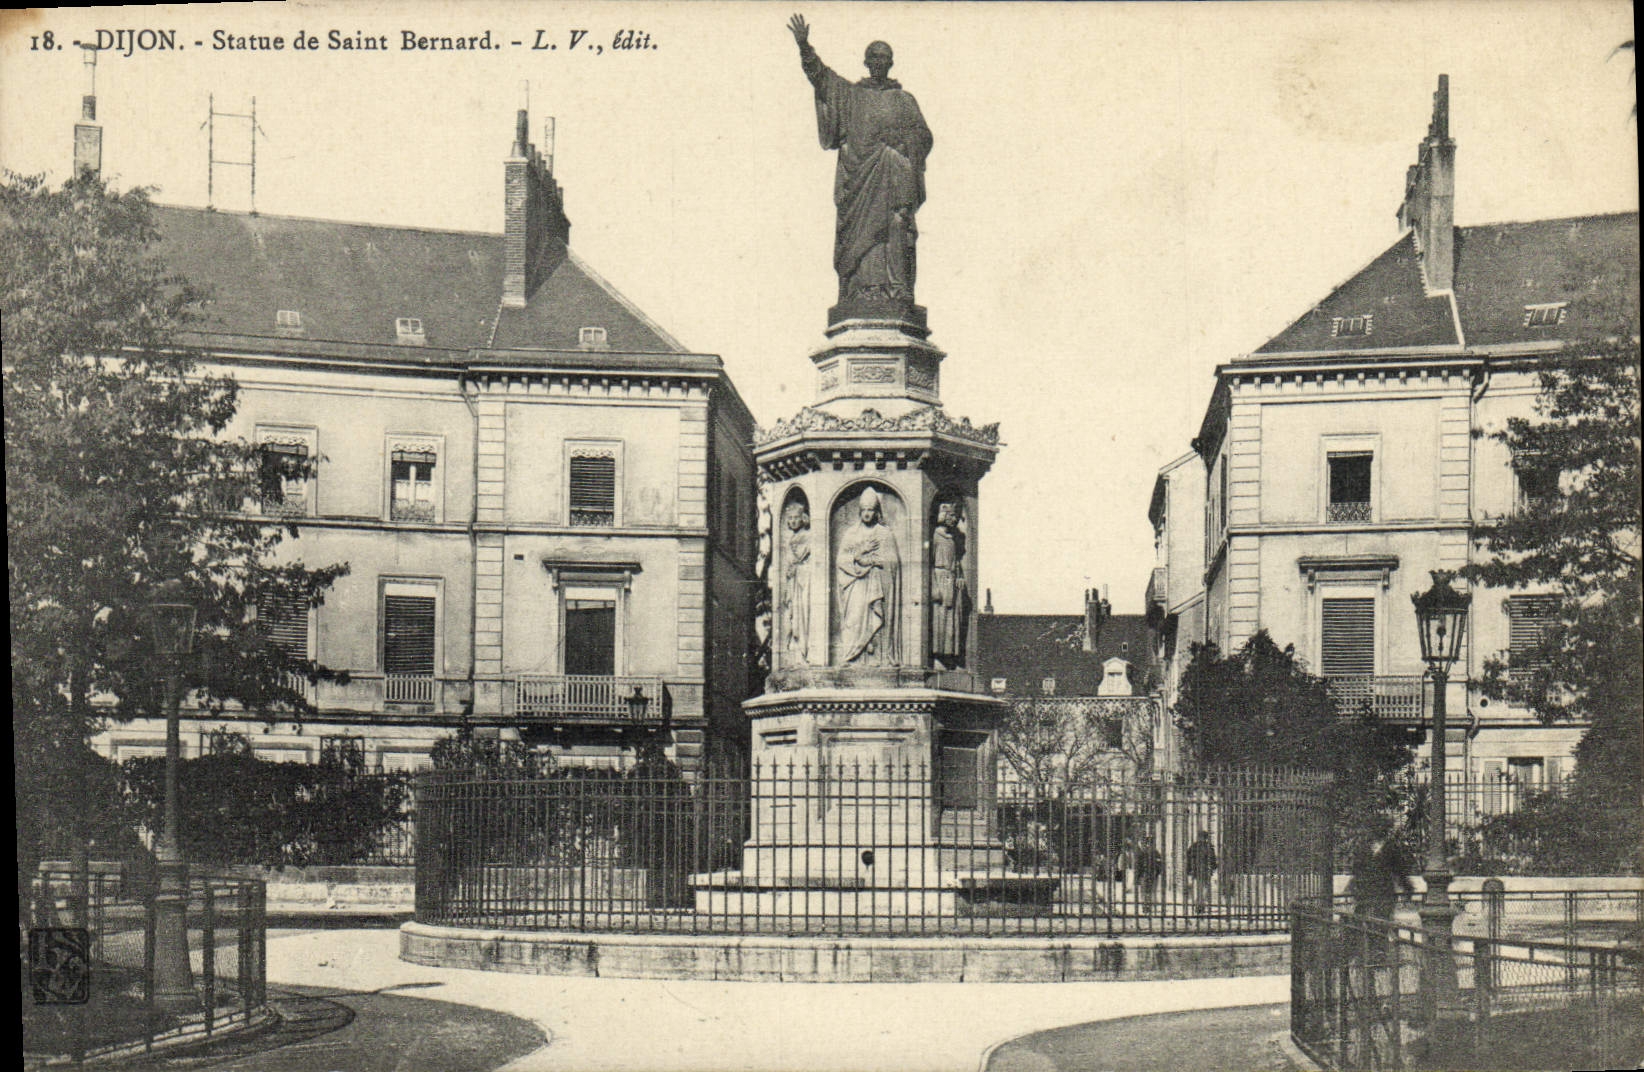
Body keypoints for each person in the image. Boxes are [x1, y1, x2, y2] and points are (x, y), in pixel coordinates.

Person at [788, 14, 933, 309]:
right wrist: (805, 47)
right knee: (862, 242)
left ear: (891, 63)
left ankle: (897, 290)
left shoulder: (905, 100)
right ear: (866, 62)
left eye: (885, 58)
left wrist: (903, 145)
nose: (880, 62)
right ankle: (859, 292)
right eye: (874, 57)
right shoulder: (850, 96)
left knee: (896, 229)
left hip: (895, 179)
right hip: (860, 185)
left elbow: (924, 136)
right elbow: (820, 77)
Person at [834, 487, 901, 665]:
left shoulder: (884, 533)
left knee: (877, 617)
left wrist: (877, 563)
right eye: (864, 510)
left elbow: (892, 562)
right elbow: (841, 559)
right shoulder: (851, 533)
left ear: (876, 511)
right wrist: (858, 556)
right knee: (854, 619)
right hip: (856, 584)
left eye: (870, 510)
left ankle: (878, 658)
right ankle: (850, 656)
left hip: (876, 584)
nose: (867, 514)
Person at [929, 501, 967, 669]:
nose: (954, 519)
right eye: (951, 516)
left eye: (955, 516)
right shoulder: (935, 537)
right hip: (940, 579)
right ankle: (938, 656)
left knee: (954, 620)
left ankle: (951, 657)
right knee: (940, 619)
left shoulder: (953, 539)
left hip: (952, 581)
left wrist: (960, 576)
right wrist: (934, 587)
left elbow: (957, 562)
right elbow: (928, 564)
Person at [1347, 832, 1415, 923]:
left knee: (1379, 921)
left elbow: (1399, 870)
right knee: (1369, 920)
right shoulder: (1364, 847)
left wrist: (1407, 887)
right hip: (1368, 892)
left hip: (1380, 892)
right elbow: (1356, 870)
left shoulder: (1389, 847)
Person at [780, 500, 812, 663]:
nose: (792, 521)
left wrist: (795, 565)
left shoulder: (808, 536)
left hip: (803, 580)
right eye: (790, 518)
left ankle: (804, 651)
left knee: (802, 614)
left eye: (796, 518)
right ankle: (794, 650)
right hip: (793, 581)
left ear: (803, 518)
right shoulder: (791, 538)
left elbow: (800, 557)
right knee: (792, 614)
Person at [1186, 830, 1218, 915]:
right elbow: (1213, 860)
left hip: (1200, 871)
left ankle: (1200, 905)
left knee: (1201, 889)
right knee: (1202, 889)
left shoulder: (1194, 847)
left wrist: (1189, 870)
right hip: (1202, 871)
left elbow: (1188, 860)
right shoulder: (1207, 847)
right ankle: (1200, 905)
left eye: (1203, 837)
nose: (1202, 839)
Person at [1131, 839, 1164, 915]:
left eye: (1150, 844)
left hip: (1151, 875)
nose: (1148, 846)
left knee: (1149, 891)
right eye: (1147, 844)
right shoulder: (1142, 854)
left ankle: (1147, 905)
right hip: (1145, 875)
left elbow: (1160, 863)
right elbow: (1138, 866)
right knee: (1146, 891)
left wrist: (1157, 872)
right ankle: (1146, 906)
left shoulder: (1155, 853)